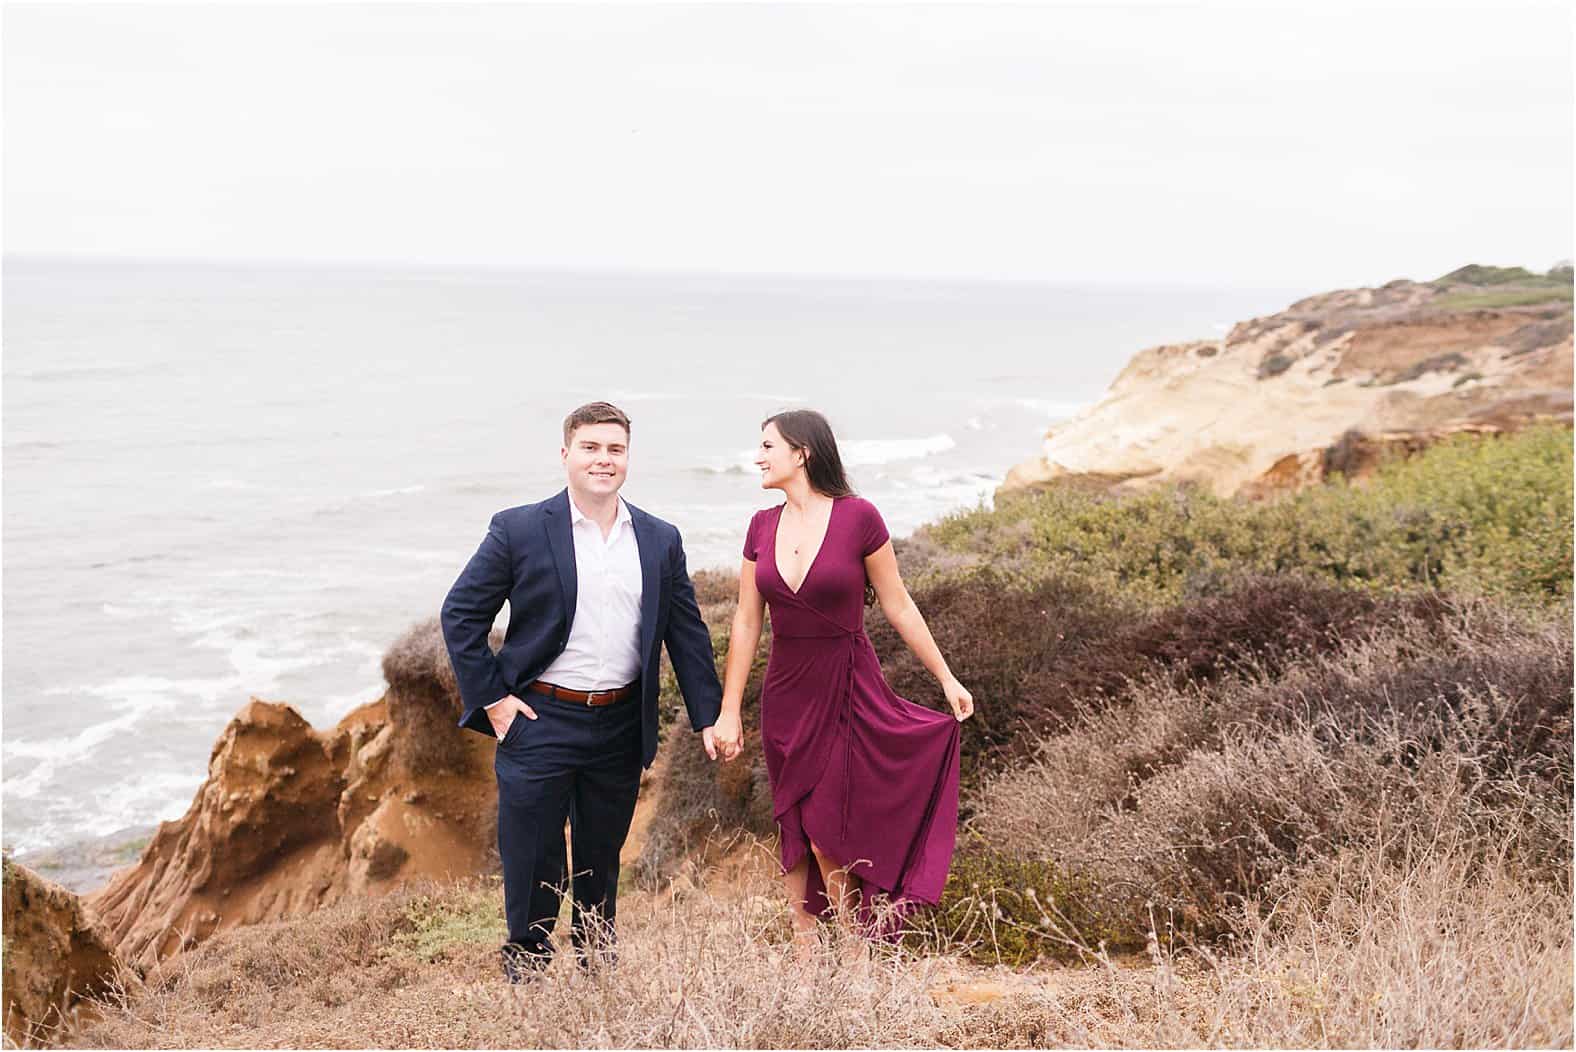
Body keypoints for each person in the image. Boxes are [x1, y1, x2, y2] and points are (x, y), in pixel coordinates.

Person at [440, 401, 723, 982]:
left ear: (627, 458)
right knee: (533, 857)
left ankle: (598, 974)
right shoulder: (518, 528)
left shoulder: (659, 538)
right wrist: (494, 701)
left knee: (600, 858)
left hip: (619, 723)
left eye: (614, 449)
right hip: (539, 718)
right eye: (591, 448)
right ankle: (531, 977)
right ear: (566, 454)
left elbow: (687, 632)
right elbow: (461, 613)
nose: (603, 460)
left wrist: (710, 717)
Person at [710, 409, 972, 954]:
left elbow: (898, 606)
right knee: (796, 819)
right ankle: (807, 951)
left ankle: (854, 948)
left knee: (827, 815)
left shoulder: (860, 518)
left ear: (801, 452)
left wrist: (946, 677)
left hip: (849, 683)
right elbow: (746, 622)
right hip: (786, 690)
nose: (757, 456)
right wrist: (729, 708)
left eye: (767, 446)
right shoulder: (760, 526)